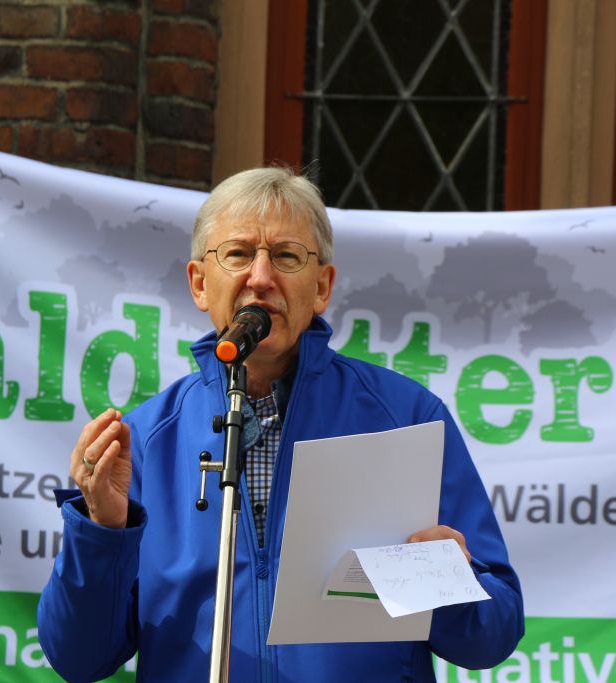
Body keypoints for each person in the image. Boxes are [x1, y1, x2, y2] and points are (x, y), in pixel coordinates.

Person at [37, 167, 524, 682]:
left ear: (322, 287)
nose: (262, 278)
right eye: (239, 254)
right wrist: (102, 531)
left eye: (287, 256)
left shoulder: (405, 419)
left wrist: (443, 581)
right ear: (200, 283)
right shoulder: (147, 442)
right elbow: (78, 659)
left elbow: (493, 633)